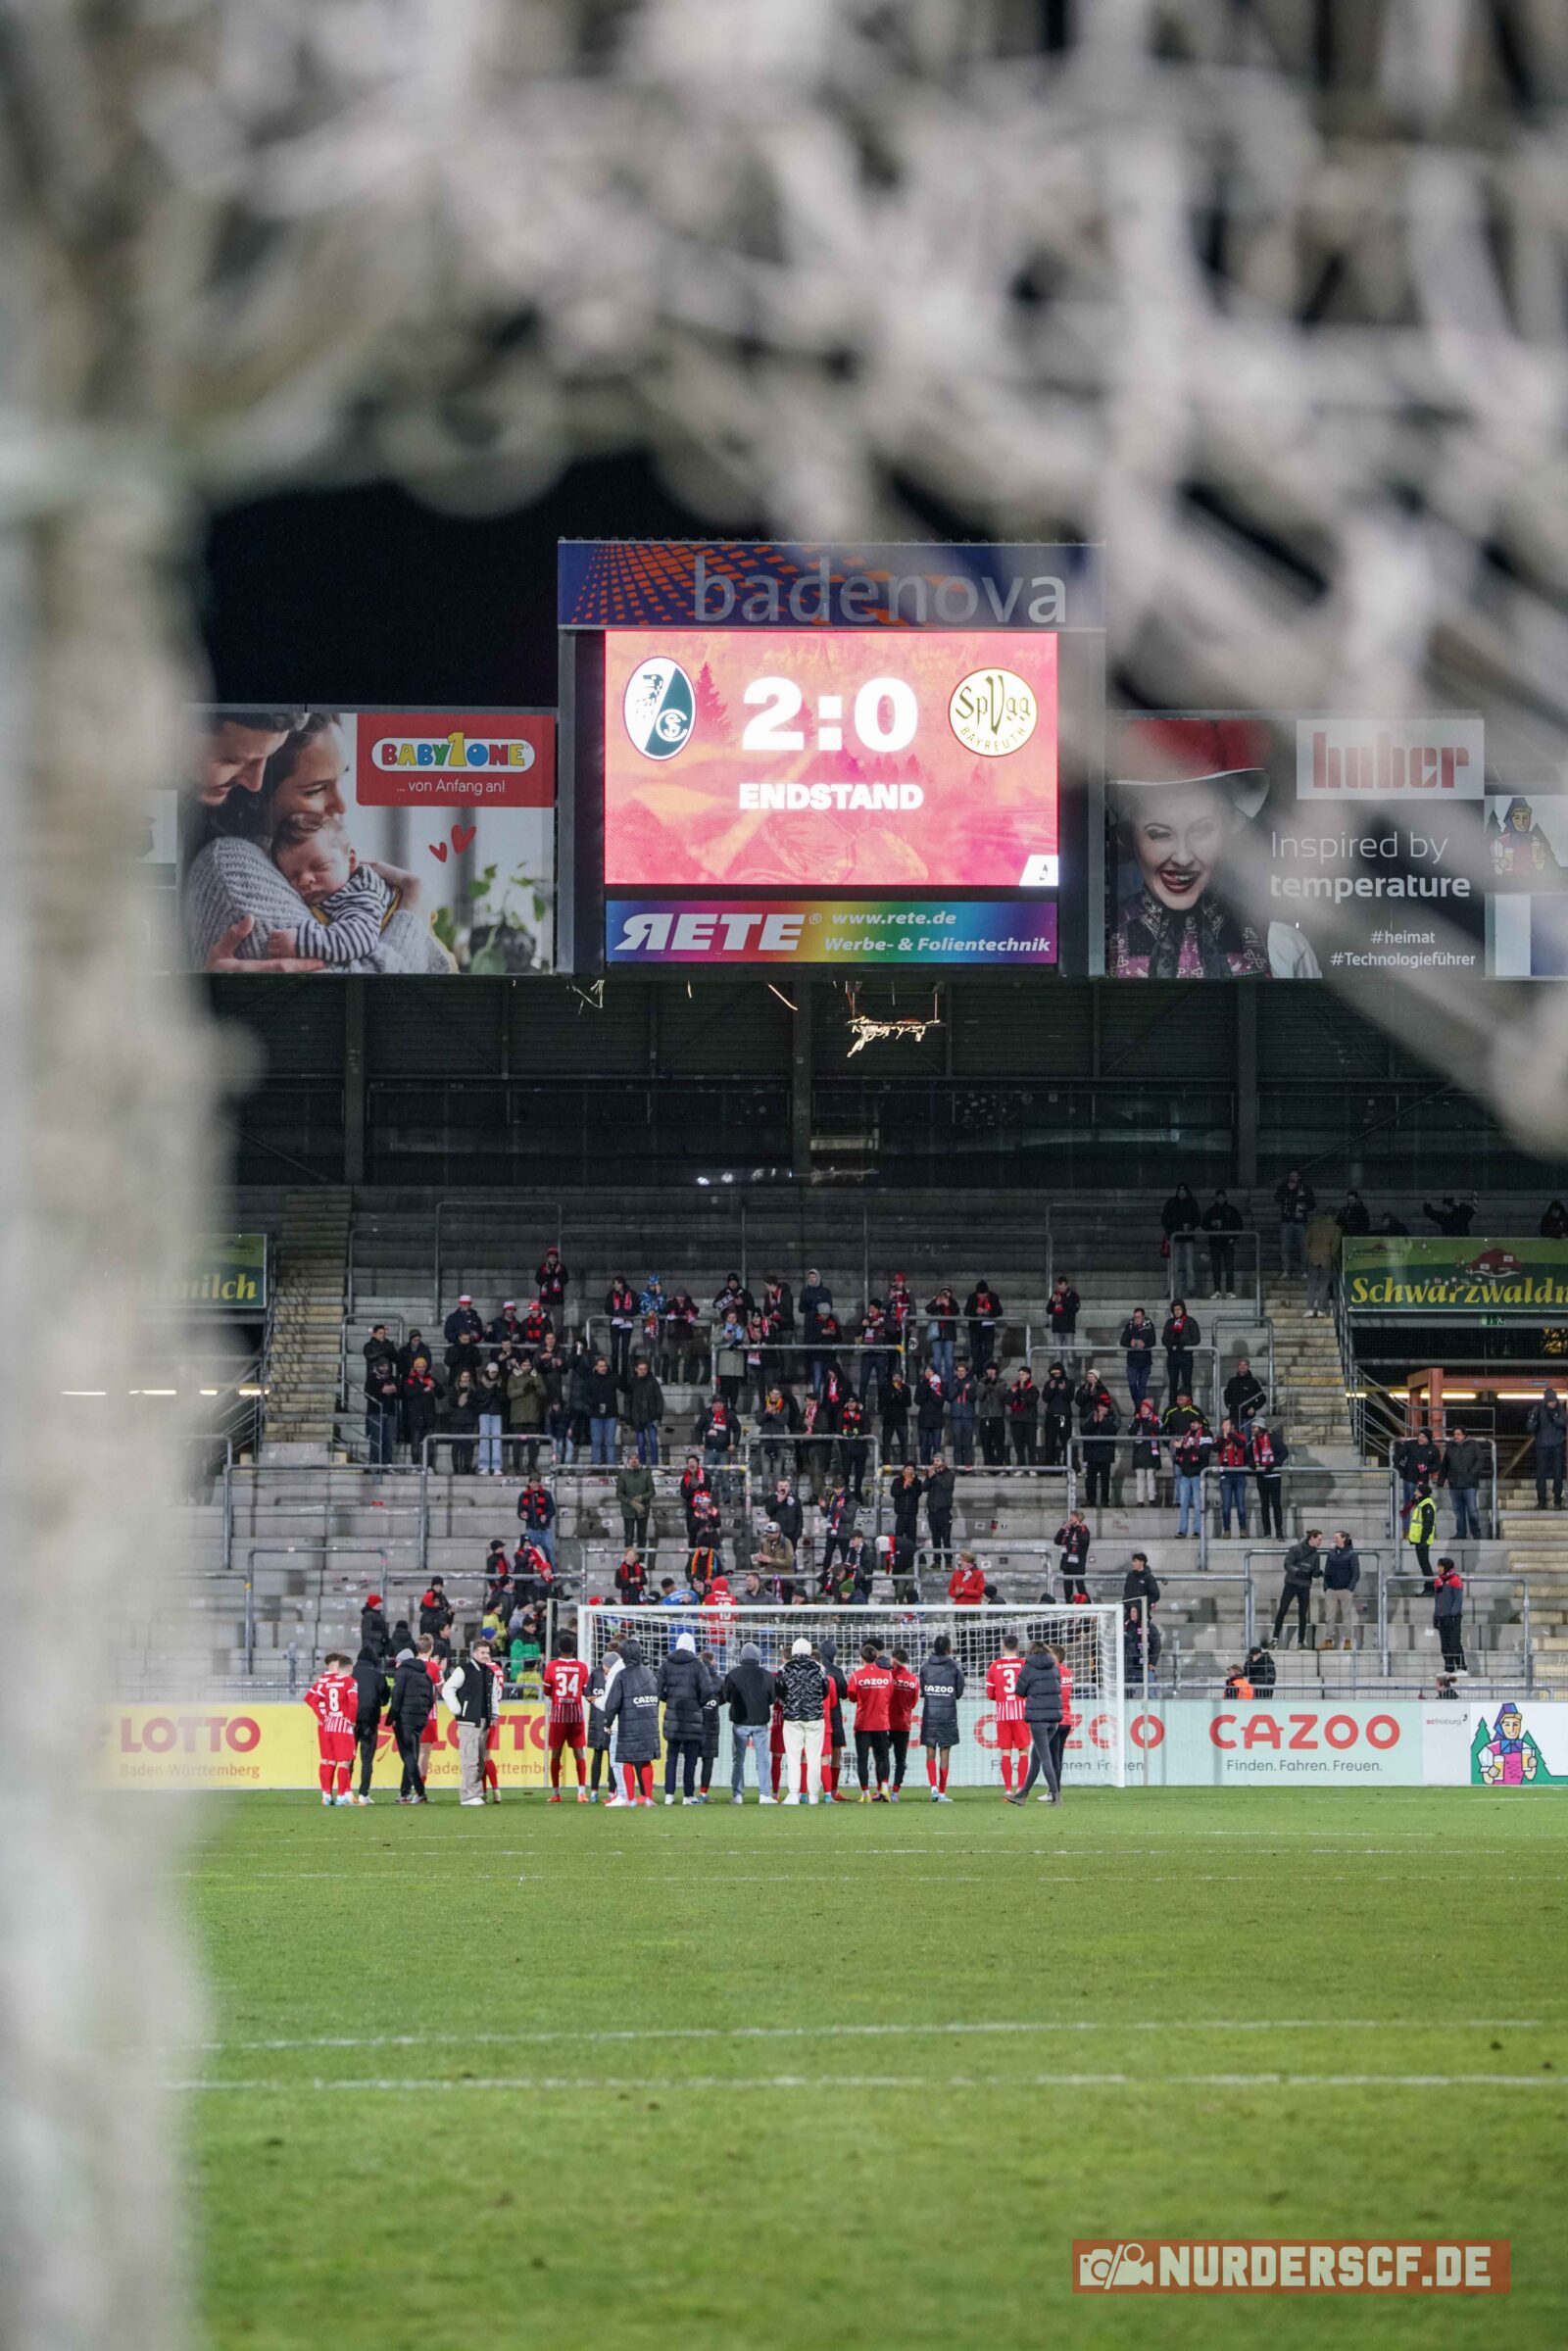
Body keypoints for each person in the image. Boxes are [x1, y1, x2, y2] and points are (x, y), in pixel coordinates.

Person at [603, 1636, 661, 1806]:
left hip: (629, 1723)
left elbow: (613, 1703)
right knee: (646, 1760)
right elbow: (657, 1696)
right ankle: (648, 1798)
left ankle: (630, 1799)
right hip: (649, 1723)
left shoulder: (622, 1676)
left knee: (627, 1759)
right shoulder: (650, 1673)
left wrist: (607, 1722)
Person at [1005, 1641, 1063, 1806]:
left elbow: (1019, 1691)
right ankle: (1022, 1795)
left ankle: (1056, 1796)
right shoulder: (1053, 1667)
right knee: (1036, 1757)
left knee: (1045, 1758)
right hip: (1054, 1719)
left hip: (1038, 1719)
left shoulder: (1029, 1668)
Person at [440, 1638, 496, 1808]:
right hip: (468, 1720)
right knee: (470, 1759)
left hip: (484, 1720)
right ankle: (469, 1795)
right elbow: (447, 1689)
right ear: (474, 1653)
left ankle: (473, 1793)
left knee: (479, 1760)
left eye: (487, 1653)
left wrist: (494, 1714)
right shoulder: (463, 1670)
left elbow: (493, 1695)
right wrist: (457, 1709)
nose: (485, 1655)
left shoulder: (489, 1672)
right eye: (482, 1652)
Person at [776, 1638, 829, 1804]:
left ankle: (794, 1794)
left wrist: (790, 1703)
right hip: (815, 1717)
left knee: (793, 1757)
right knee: (814, 1757)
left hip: (792, 1717)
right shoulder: (819, 1668)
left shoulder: (785, 1668)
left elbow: (779, 1690)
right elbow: (825, 1691)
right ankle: (813, 1795)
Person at [724, 1640, 776, 1803]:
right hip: (760, 1722)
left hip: (740, 1721)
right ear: (758, 1657)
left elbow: (726, 1696)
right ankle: (764, 1794)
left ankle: (737, 1794)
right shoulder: (767, 1675)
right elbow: (772, 1698)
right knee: (763, 1759)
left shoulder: (733, 1675)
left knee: (738, 1760)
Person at [304, 1651, 358, 1806]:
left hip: (327, 1725)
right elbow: (352, 1701)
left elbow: (309, 1699)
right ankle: (343, 1794)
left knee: (329, 1759)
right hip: (338, 1724)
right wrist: (325, 1716)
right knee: (342, 1759)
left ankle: (326, 1795)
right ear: (334, 1665)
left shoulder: (323, 1681)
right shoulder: (339, 1680)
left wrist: (323, 1717)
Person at [542, 1633, 591, 1802]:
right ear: (574, 1648)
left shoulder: (552, 1666)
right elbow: (585, 1690)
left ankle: (556, 1793)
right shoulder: (582, 1667)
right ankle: (581, 1792)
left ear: (559, 1649)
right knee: (579, 1752)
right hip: (576, 1714)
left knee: (556, 1753)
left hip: (558, 1715)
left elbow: (546, 1690)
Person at [384, 1644, 434, 1803]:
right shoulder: (426, 1675)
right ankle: (405, 1793)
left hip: (404, 1720)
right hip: (420, 1720)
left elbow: (397, 1696)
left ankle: (420, 1792)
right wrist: (423, 1714)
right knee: (412, 1755)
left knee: (407, 1755)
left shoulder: (402, 1672)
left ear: (402, 1661)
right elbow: (431, 1700)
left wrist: (392, 1717)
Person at [846, 1640, 895, 1803]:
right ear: (876, 1657)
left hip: (863, 1724)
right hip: (881, 1723)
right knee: (883, 1757)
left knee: (863, 1759)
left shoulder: (856, 1676)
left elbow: (852, 1696)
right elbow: (890, 1694)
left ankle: (865, 1793)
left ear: (862, 1658)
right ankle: (885, 1789)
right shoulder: (887, 1675)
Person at [985, 1631, 1031, 1797]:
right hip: (1021, 1713)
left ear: (1003, 1647)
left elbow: (990, 1694)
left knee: (1006, 1751)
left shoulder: (994, 1666)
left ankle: (1008, 1789)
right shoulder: (1024, 1664)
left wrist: (1002, 1697)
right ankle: (1021, 1788)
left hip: (1003, 1713)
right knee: (1023, 1750)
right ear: (1017, 1648)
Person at [918, 1635, 964, 1801]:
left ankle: (933, 1788)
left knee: (930, 1751)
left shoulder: (925, 1666)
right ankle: (942, 1792)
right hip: (947, 1715)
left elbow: (923, 1690)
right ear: (948, 1649)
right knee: (945, 1752)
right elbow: (959, 1692)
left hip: (930, 1713)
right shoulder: (955, 1667)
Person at [349, 1642, 387, 1805]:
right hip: (370, 1721)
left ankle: (345, 1791)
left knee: (348, 1758)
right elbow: (385, 1699)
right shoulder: (377, 1676)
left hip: (350, 1721)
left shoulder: (349, 1675)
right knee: (367, 1760)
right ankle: (363, 1793)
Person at [1273, 1530, 1322, 1648]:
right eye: (1319, 1539)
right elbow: (1287, 1563)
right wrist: (1297, 1572)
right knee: (1282, 1610)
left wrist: (1317, 1573)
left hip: (1305, 1586)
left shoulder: (1316, 1555)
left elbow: (1314, 1571)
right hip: (1291, 1583)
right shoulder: (1295, 1549)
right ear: (1312, 1538)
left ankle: (1300, 1641)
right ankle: (1275, 1638)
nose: (1320, 1542)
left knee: (1303, 1614)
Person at [583, 1642, 619, 1803]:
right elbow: (587, 1692)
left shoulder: (614, 1674)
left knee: (607, 1756)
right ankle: (601, 1792)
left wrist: (593, 1698)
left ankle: (604, 1792)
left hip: (606, 1720)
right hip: (601, 1720)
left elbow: (587, 1692)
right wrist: (593, 1698)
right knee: (604, 1756)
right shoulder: (598, 1673)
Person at [1439, 1423, 1485, 1543]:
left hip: (1470, 1484)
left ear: (1464, 1435)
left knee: (1472, 1510)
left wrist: (1471, 1475)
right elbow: (1445, 1464)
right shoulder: (1450, 1446)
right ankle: (1461, 1533)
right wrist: (1441, 1480)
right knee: (1458, 1511)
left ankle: (1475, 1532)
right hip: (1454, 1484)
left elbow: (1480, 1461)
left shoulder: (1473, 1445)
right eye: (1454, 1434)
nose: (1456, 1436)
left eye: (1458, 1434)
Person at [1530, 1386, 1568, 1508]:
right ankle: (1542, 1501)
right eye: (1551, 1401)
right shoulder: (1539, 1409)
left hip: (1556, 1445)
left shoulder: (1560, 1409)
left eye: (1554, 1401)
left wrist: (1554, 1418)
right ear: (1546, 1401)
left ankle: (1557, 1500)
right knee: (1541, 1474)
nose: (1553, 1403)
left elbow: (1563, 1423)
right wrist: (1532, 1419)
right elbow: (1530, 1428)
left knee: (1558, 1473)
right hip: (1542, 1445)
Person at [1160, 1184, 1200, 1298]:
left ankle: (1191, 1288)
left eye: (1183, 1192)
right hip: (1175, 1238)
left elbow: (1197, 1218)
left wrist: (1190, 1226)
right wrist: (1171, 1231)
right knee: (1174, 1266)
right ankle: (1173, 1289)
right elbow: (1164, 1219)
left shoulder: (1192, 1203)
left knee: (1189, 1265)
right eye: (1180, 1192)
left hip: (1188, 1238)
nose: (1181, 1194)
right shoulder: (1172, 1202)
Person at [1322, 1530, 1360, 1648]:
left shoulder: (1352, 1554)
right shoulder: (1331, 1553)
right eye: (1334, 1538)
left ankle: (1348, 1641)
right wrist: (1326, 1586)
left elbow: (1356, 1572)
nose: (1334, 1540)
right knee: (1329, 1616)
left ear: (1343, 1538)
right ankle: (1328, 1640)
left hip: (1345, 1589)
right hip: (1331, 1589)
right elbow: (1327, 1570)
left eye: (1336, 1537)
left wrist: (1350, 1588)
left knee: (1346, 1615)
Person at [1250, 1418, 1287, 1539]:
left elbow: (1284, 1452)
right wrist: (1252, 1463)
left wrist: (1274, 1463)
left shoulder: (1273, 1438)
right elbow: (1249, 1456)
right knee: (1264, 1505)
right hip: (1261, 1477)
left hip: (1274, 1476)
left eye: (1255, 1427)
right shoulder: (1253, 1442)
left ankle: (1279, 1531)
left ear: (1261, 1428)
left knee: (1276, 1504)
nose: (1252, 1430)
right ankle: (1267, 1531)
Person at [1201, 1189, 1242, 1297]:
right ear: (1216, 1198)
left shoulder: (1232, 1210)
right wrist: (1211, 1224)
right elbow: (1204, 1225)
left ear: (1225, 1197)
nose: (1220, 1199)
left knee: (1229, 1267)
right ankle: (1217, 1290)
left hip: (1228, 1243)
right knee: (1216, 1267)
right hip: (1215, 1243)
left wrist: (1233, 1237)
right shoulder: (1211, 1211)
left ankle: (1229, 1291)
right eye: (1218, 1197)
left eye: (1222, 1197)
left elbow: (1239, 1225)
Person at [1394, 1425, 1443, 1513]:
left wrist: (1427, 1469)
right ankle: (1406, 1522)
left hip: (1423, 1481)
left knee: (1423, 1503)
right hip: (1409, 1479)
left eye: (1423, 1437)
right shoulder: (1410, 1444)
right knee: (1408, 1503)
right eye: (1420, 1436)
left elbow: (1437, 1465)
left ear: (1428, 1439)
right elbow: (1397, 1456)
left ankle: (1422, 1521)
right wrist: (1401, 1471)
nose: (1420, 1438)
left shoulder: (1434, 1449)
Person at [625, 1359, 665, 1466]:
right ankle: (642, 1465)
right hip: (637, 1418)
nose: (643, 1371)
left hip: (651, 1417)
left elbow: (659, 1398)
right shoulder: (632, 1382)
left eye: (645, 1369)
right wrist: (628, 1417)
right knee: (641, 1443)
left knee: (653, 1442)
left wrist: (658, 1414)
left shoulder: (652, 1381)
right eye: (641, 1369)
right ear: (636, 1369)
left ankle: (654, 1466)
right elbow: (628, 1400)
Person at [1275, 1169, 1315, 1276]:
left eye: (1295, 1176)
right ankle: (1285, 1271)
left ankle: (1304, 1271)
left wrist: (1305, 1207)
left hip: (1300, 1221)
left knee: (1303, 1247)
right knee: (1285, 1247)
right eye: (1291, 1176)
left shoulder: (1305, 1189)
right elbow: (1277, 1198)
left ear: (1299, 1177)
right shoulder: (1283, 1187)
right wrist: (1287, 1190)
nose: (1293, 1178)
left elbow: (1312, 1204)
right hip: (1286, 1221)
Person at [1215, 1416, 1250, 1536]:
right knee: (1226, 1506)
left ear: (1232, 1426)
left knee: (1241, 1505)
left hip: (1239, 1474)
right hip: (1226, 1475)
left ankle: (1243, 1529)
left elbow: (1241, 1444)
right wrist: (1224, 1438)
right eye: (1223, 1425)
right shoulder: (1220, 1439)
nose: (1223, 1427)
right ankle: (1227, 1530)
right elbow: (1215, 1448)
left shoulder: (1240, 1436)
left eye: (1225, 1424)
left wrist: (1230, 1435)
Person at [615, 1450, 656, 1555]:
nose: (634, 1460)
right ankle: (628, 1560)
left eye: (636, 1458)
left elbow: (652, 1491)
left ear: (639, 1460)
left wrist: (642, 1498)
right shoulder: (623, 1475)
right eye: (631, 1458)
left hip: (642, 1510)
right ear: (628, 1460)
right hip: (628, 1511)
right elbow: (619, 1493)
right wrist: (630, 1502)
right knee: (628, 1536)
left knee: (642, 1536)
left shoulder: (646, 1474)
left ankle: (641, 1560)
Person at [1081, 1396, 1119, 1507]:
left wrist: (1104, 1421)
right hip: (1092, 1452)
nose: (1101, 1410)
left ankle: (1104, 1501)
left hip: (1105, 1453)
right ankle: (1090, 1499)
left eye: (1103, 1409)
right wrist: (1094, 1422)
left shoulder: (1113, 1417)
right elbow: (1084, 1429)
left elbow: (1114, 1430)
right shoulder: (1092, 1415)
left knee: (1105, 1479)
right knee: (1090, 1478)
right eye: (1099, 1408)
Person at [1161, 1301, 1200, 1410]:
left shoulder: (1190, 1321)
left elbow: (1196, 1339)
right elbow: (1164, 1339)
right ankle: (1172, 1406)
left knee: (1186, 1382)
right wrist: (1170, 1344)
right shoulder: (1170, 1322)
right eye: (1175, 1310)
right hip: (1173, 1357)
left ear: (1183, 1309)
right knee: (1173, 1382)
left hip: (1186, 1357)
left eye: (1179, 1309)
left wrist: (1184, 1344)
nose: (1177, 1312)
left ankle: (1188, 1405)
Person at [584, 1353, 620, 1467]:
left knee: (610, 1442)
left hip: (611, 1415)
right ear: (596, 1367)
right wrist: (594, 1404)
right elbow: (584, 1395)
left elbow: (625, 1387)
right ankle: (596, 1465)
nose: (603, 1368)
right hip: (596, 1415)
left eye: (604, 1366)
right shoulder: (590, 1380)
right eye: (601, 1366)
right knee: (596, 1441)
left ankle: (610, 1465)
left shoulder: (613, 1378)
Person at [1049, 1641, 1075, 1795]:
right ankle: (1054, 1790)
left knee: (1053, 1758)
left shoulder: (1052, 1672)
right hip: (1067, 1720)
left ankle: (1054, 1792)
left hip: (1055, 1719)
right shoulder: (1068, 1672)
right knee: (1058, 1757)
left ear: (1055, 1657)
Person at [365, 1354, 401, 1468]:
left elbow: (399, 1394)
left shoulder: (393, 1378)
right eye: (383, 1366)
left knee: (388, 1441)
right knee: (376, 1440)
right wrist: (382, 1391)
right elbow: (367, 1394)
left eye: (387, 1366)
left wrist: (395, 1390)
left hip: (390, 1412)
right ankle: (374, 1465)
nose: (385, 1369)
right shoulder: (371, 1378)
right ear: (378, 1367)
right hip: (375, 1412)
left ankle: (387, 1465)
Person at [1433, 1556, 1467, 1673]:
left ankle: (1462, 1668)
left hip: (1453, 1618)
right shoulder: (1438, 1581)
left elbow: (1458, 1601)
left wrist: (1452, 1615)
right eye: (1438, 1566)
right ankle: (1449, 1668)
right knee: (1445, 1645)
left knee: (1454, 1644)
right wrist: (1436, 1615)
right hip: (1441, 1617)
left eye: (1441, 1566)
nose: (1439, 1568)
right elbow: (1437, 1600)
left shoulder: (1455, 1580)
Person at [1304, 1207, 1339, 1318]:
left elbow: (1306, 1241)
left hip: (1313, 1256)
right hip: (1326, 1258)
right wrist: (1331, 1257)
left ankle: (1309, 1309)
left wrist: (1309, 1253)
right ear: (1334, 1216)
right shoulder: (1336, 1229)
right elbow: (1335, 1247)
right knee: (1324, 1285)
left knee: (1312, 1284)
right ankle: (1320, 1309)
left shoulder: (1314, 1226)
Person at [1119, 1308, 1155, 1410]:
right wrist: (1130, 1343)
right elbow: (1123, 1341)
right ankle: (1138, 1405)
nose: (1136, 1319)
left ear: (1143, 1317)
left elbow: (1153, 1341)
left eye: (1138, 1317)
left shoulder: (1149, 1326)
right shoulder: (1129, 1326)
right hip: (1132, 1362)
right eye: (1135, 1317)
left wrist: (1144, 1344)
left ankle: (1138, 1410)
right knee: (1132, 1384)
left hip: (1145, 1361)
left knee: (1142, 1386)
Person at [963, 1281, 1004, 1372]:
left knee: (988, 1350)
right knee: (975, 1352)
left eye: (984, 1294)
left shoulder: (993, 1297)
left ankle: (982, 1368)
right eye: (979, 1294)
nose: (981, 1296)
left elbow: (999, 1311)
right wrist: (975, 1311)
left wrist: (987, 1312)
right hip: (974, 1329)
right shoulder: (971, 1297)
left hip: (988, 1329)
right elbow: (966, 1312)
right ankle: (978, 1372)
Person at [1054, 1509, 1092, 1603]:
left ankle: (1090, 1607)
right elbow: (1057, 1541)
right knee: (1067, 1591)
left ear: (1078, 1518)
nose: (1070, 1518)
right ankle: (1069, 1608)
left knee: (1081, 1589)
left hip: (1078, 1565)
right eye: (1070, 1516)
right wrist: (1062, 1529)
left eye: (1073, 1516)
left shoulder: (1083, 1529)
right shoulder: (1068, 1529)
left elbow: (1083, 1542)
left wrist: (1077, 1528)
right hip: (1067, 1564)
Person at [1406, 1480, 1438, 1592]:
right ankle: (1428, 1587)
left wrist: (1423, 1540)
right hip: (1419, 1540)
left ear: (1422, 1493)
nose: (1415, 1492)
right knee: (1424, 1564)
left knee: (1425, 1565)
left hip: (1422, 1541)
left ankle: (1430, 1587)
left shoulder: (1427, 1505)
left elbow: (1428, 1524)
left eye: (1417, 1491)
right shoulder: (1422, 1503)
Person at [924, 1455, 956, 1570]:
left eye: (937, 1460)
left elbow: (946, 1485)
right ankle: (936, 1561)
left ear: (943, 1462)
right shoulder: (932, 1475)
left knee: (946, 1538)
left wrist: (935, 1476)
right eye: (934, 1461)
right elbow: (924, 1488)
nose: (935, 1463)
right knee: (935, 1538)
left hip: (944, 1511)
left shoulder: (949, 1474)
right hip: (933, 1511)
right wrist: (929, 1478)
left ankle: (948, 1562)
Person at [1130, 1397, 1161, 1505]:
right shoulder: (1136, 1419)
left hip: (1151, 1452)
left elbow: (1161, 1430)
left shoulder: (1156, 1419)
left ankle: (1152, 1499)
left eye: (1146, 1407)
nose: (1143, 1409)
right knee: (1140, 1476)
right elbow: (1130, 1432)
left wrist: (1151, 1424)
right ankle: (1140, 1500)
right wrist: (1136, 1421)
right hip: (1139, 1452)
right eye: (1142, 1407)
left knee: (1151, 1476)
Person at [1005, 1366, 1040, 1465]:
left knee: (1031, 1446)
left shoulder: (1033, 1388)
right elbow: (1008, 1401)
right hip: (1016, 1420)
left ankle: (1032, 1467)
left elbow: (1031, 1400)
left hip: (1029, 1421)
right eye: (1020, 1374)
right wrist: (1013, 1393)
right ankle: (1020, 1466)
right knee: (1018, 1447)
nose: (1021, 1376)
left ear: (1028, 1375)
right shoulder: (1014, 1387)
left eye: (1023, 1374)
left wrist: (1022, 1389)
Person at [914, 1367, 947, 1466]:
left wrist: (932, 1392)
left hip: (937, 1420)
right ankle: (925, 1466)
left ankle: (937, 1466)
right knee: (924, 1445)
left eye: (930, 1371)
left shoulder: (941, 1384)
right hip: (924, 1420)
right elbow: (917, 1401)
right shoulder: (921, 1385)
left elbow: (940, 1400)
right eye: (927, 1371)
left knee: (937, 1446)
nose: (928, 1373)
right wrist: (927, 1391)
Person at [976, 1362, 1006, 1466]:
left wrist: (995, 1383)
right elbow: (980, 1396)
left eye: (993, 1369)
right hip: (985, 1417)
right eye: (989, 1369)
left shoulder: (1002, 1382)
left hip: (998, 1416)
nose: (991, 1372)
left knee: (999, 1443)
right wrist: (986, 1384)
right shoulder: (981, 1382)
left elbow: (1003, 1395)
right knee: (986, 1443)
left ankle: (999, 1466)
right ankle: (988, 1466)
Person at [1045, 1275, 1081, 1360]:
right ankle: (1058, 1367)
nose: (1061, 1289)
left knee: (1069, 1354)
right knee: (1057, 1354)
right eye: (1059, 1287)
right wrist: (1052, 1302)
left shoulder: (1073, 1296)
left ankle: (1069, 1368)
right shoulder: (1055, 1295)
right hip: (1057, 1329)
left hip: (1068, 1329)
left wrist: (1062, 1300)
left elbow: (1075, 1308)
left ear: (1067, 1286)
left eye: (1063, 1287)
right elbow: (1048, 1311)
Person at [1223, 1356, 1266, 1426]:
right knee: (1234, 1433)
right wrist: (1228, 1405)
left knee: (1246, 1433)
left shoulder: (1253, 1382)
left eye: (1244, 1364)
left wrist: (1254, 1408)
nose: (1242, 1366)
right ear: (1238, 1366)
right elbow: (1226, 1394)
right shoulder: (1232, 1381)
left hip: (1247, 1417)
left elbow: (1262, 1398)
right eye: (1240, 1364)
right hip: (1234, 1416)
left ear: (1248, 1367)